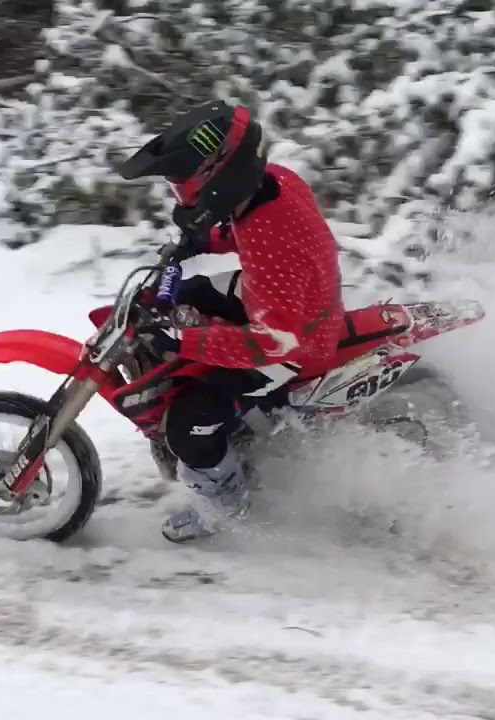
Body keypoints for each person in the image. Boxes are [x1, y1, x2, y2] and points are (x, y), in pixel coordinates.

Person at [117, 101, 345, 543]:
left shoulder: (269, 238)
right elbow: (251, 230)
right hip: (284, 299)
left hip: (296, 344)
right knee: (189, 292)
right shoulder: (274, 181)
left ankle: (223, 506)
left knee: (188, 424)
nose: (179, 193)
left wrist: (184, 342)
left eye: (182, 183)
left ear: (218, 177)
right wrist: (204, 240)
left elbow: (271, 344)